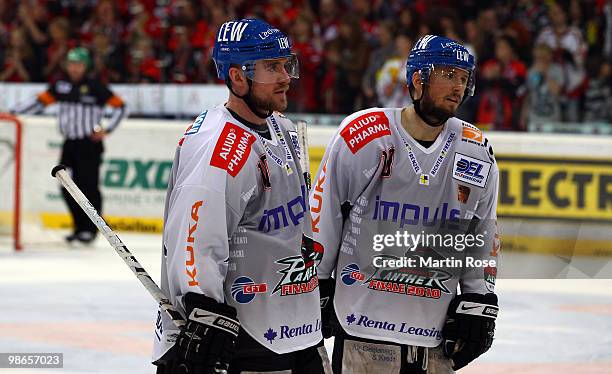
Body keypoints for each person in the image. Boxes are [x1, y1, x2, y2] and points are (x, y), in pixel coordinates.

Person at [311, 35, 500, 373]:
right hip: (362, 325)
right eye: (448, 75)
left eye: (463, 77)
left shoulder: (475, 148)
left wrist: (479, 298)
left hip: (435, 330)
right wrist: (317, 281)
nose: (458, 86)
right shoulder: (363, 135)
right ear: (418, 79)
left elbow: (481, 229)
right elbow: (324, 213)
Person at [152, 19, 330, 374]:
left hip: (297, 329)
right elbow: (195, 238)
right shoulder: (218, 147)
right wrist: (202, 306)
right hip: (244, 339)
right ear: (237, 77)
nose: (285, 77)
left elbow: (295, 221)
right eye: (271, 68)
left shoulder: (284, 129)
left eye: (285, 65)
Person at [11, 47, 127, 244]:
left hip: (89, 145)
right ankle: (78, 227)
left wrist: (107, 130)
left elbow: (121, 107)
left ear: (86, 67)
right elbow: (39, 103)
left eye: (78, 65)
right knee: (66, 186)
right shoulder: (61, 86)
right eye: (71, 64)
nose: (74, 69)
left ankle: (90, 230)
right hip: (70, 144)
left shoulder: (95, 87)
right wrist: (11, 113)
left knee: (89, 187)